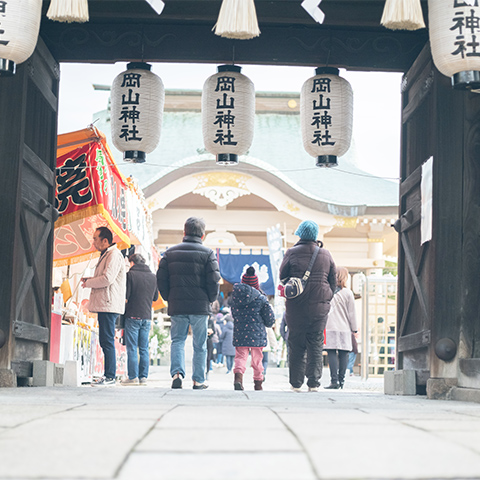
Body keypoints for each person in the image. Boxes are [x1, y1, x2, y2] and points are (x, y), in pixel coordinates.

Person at [157, 217, 221, 390]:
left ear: (184, 232)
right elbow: (214, 280)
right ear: (203, 235)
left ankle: (177, 374)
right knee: (200, 344)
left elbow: (161, 279)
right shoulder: (208, 253)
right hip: (200, 307)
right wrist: (210, 299)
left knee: (177, 340)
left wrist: (169, 297)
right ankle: (198, 380)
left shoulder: (170, 253)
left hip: (177, 305)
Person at [279, 220, 336, 392]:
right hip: (319, 309)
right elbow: (332, 282)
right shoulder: (326, 255)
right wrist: (325, 297)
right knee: (316, 344)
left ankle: (296, 384)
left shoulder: (292, 252)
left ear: (300, 234)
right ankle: (313, 383)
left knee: (296, 344)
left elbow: (283, 277)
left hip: (296, 307)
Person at [81, 226, 126, 386]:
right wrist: (89, 280)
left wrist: (88, 283)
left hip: (109, 304)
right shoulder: (108, 254)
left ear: (105, 240)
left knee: (106, 340)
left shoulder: (114, 255)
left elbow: (107, 278)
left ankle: (110, 376)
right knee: (105, 340)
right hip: (105, 304)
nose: (93, 242)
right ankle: (108, 375)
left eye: (95, 239)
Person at [230, 266, 275, 391]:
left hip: (240, 332)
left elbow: (233, 314)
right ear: (256, 284)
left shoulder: (235, 298)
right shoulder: (261, 298)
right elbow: (270, 319)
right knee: (257, 360)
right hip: (257, 333)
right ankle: (258, 383)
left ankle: (238, 379)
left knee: (240, 357)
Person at [121, 253, 159, 386]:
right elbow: (155, 298)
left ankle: (133, 377)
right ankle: (143, 377)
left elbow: (126, 296)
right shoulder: (153, 277)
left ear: (132, 263)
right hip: (146, 317)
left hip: (132, 315)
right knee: (143, 348)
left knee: (132, 348)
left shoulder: (130, 275)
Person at [324, 267, 358, 389]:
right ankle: (341, 381)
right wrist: (354, 329)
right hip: (344, 328)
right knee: (344, 354)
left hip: (329, 326)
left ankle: (334, 381)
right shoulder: (348, 293)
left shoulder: (327, 291)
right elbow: (352, 313)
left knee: (331, 353)